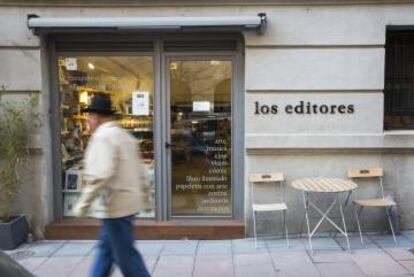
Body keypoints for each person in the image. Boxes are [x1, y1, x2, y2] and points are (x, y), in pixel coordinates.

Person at [73, 95, 151, 277]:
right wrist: (146, 197)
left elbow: (101, 174)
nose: (88, 122)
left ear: (96, 117)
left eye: (89, 117)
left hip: (115, 206)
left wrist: (83, 204)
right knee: (105, 254)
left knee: (128, 262)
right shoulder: (125, 136)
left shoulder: (103, 137)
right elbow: (140, 171)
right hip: (124, 206)